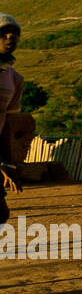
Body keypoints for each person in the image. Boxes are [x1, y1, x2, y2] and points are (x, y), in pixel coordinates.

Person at [0, 14, 25, 224]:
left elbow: (6, 124)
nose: (10, 37)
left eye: (15, 33)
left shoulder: (14, 78)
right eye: (4, 32)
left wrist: (9, 164)